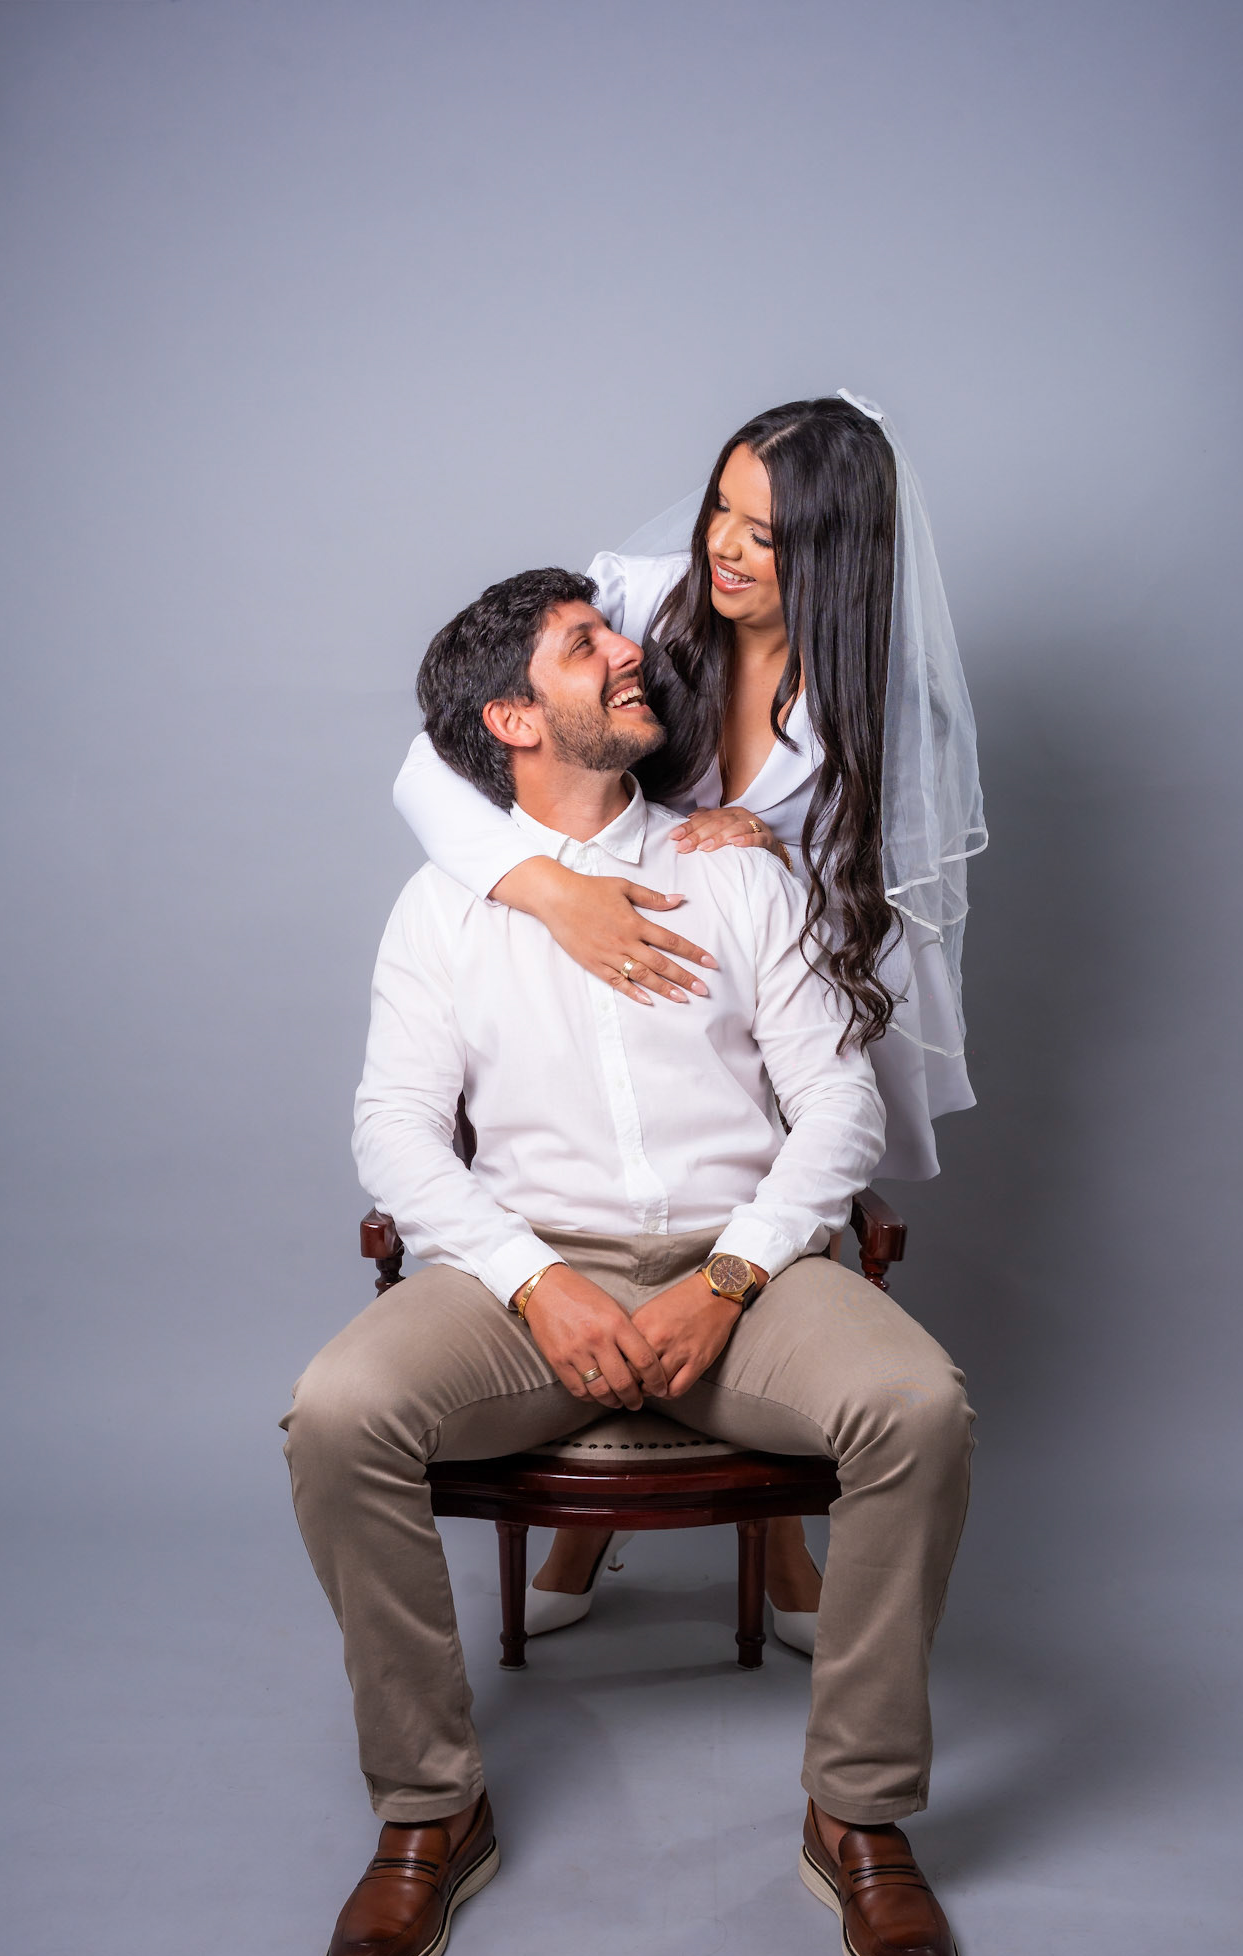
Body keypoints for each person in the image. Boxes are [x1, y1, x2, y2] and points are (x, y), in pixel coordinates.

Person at [282, 567, 974, 1956]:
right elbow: (392, 1131)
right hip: (528, 1278)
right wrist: (534, 1281)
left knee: (917, 1404)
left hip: (746, 1265)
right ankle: (430, 1808)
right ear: (512, 720)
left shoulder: (737, 867)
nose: (632, 654)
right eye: (582, 646)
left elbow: (838, 1106)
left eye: (613, 631)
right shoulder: (444, 907)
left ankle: (857, 1812)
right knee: (338, 1414)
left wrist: (729, 1276)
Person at [391, 392, 986, 1646]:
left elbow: (870, 897)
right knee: (603, 1159)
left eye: (765, 534)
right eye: (722, 504)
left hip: (759, 969)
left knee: (762, 1157)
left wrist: (770, 851)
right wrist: (552, 891)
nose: (724, 544)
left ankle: (779, 1536)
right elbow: (436, 759)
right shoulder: (641, 603)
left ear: (832, 554)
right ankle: (585, 1517)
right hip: (593, 941)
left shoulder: (875, 699)